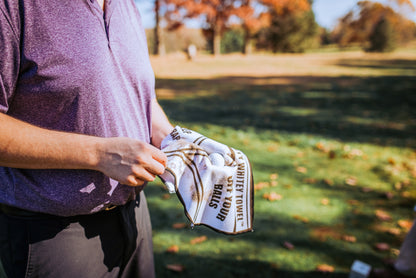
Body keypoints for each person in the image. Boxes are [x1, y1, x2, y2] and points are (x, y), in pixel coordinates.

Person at [0, 0, 174, 277]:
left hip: (135, 216)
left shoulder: (126, 6)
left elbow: (137, 94)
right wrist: (100, 154)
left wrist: (173, 140)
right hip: (54, 234)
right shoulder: (13, 7)